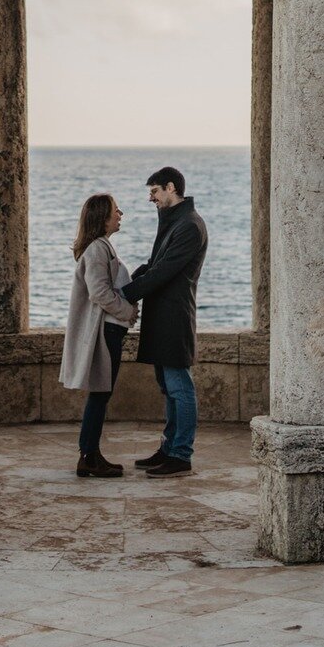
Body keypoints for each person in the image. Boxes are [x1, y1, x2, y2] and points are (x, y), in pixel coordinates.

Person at [122, 166, 208, 478]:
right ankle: (168, 448)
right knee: (168, 388)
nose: (151, 198)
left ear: (170, 188)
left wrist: (126, 293)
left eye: (155, 192)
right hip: (163, 317)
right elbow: (154, 265)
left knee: (179, 387)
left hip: (174, 318)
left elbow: (164, 271)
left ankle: (181, 455)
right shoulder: (177, 223)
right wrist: (135, 276)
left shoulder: (189, 226)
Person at [59, 192, 138, 478]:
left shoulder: (101, 247)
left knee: (101, 394)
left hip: (108, 329)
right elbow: (100, 293)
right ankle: (89, 456)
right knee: (100, 394)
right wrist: (127, 312)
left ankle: (90, 454)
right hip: (106, 331)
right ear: (103, 218)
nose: (120, 215)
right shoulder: (97, 249)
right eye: (116, 211)